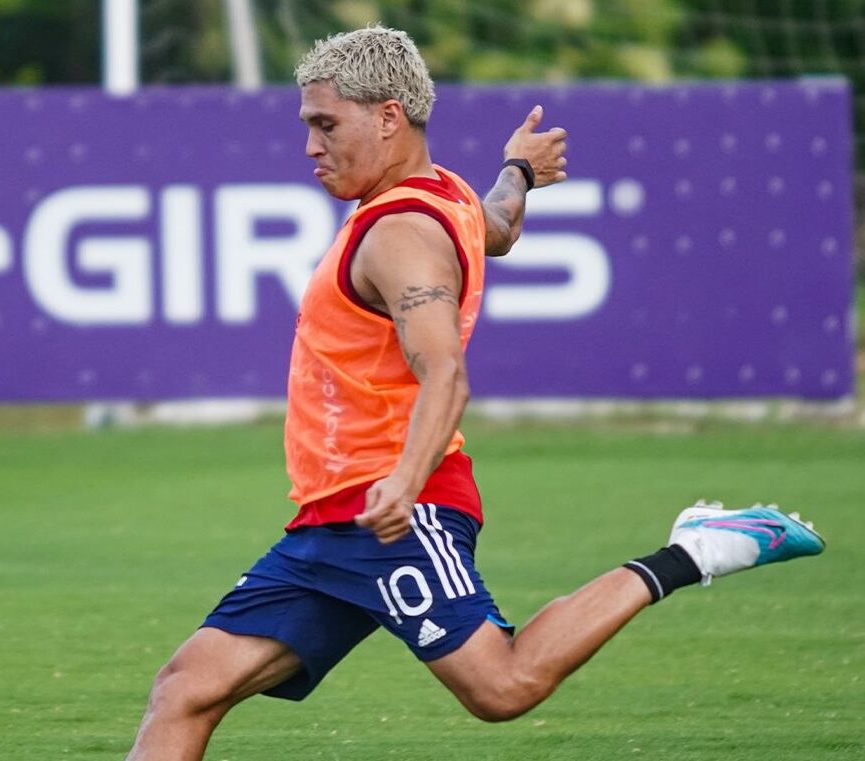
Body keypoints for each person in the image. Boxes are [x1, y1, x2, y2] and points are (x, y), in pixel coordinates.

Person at [125, 26, 825, 760]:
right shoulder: (443, 194)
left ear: (388, 116)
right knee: (185, 689)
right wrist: (517, 169)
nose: (310, 145)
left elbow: (446, 373)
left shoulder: (398, 233)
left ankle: (699, 549)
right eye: (308, 125)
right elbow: (496, 225)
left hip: (394, 505)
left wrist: (403, 479)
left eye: (325, 124)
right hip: (336, 516)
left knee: (503, 684)